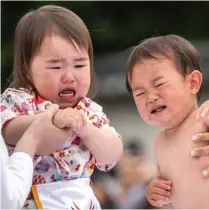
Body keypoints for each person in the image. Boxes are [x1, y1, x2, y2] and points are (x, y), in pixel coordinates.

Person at [1, 5, 123, 209]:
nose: (69, 76)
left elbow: (112, 153)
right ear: (26, 68)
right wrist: (49, 121)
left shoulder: (89, 110)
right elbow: (8, 130)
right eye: (56, 66)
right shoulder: (20, 101)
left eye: (79, 65)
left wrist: (87, 130)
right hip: (31, 198)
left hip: (80, 199)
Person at [125, 34, 209, 208]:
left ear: (193, 83)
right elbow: (167, 191)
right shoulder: (159, 142)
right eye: (140, 93)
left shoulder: (205, 119)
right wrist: (155, 192)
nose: (151, 97)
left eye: (159, 84)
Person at [1, 104, 70, 209]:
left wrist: (86, 128)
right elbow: (7, 199)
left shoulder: (91, 110)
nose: (68, 85)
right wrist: (33, 136)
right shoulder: (18, 99)